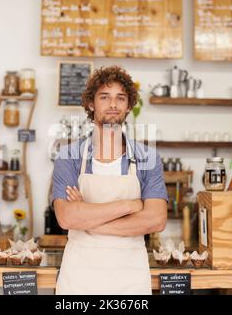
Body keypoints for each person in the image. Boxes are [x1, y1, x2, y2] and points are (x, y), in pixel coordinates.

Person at [52, 66, 168, 295]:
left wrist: (86, 216)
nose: (113, 104)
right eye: (104, 97)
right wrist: (129, 206)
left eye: (120, 98)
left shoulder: (148, 158)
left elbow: (155, 220)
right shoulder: (68, 157)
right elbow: (66, 217)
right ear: (91, 104)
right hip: (80, 277)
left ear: (128, 106)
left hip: (130, 277)